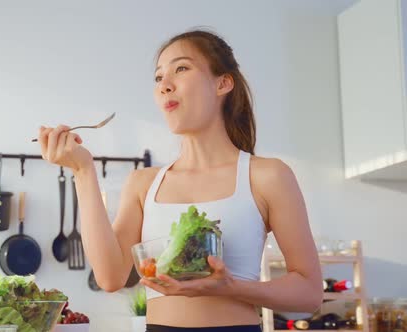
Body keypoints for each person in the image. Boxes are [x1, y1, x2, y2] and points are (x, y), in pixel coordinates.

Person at [37, 29, 322, 332]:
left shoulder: (267, 176)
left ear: (223, 83)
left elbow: (309, 293)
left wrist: (230, 287)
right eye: (159, 78)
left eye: (181, 68)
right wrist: (83, 172)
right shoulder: (143, 184)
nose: (164, 86)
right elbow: (110, 278)